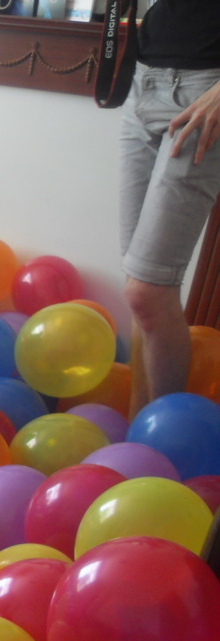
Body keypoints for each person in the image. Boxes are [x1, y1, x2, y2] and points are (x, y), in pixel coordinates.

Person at [119, 0, 220, 412]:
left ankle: (163, 449)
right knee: (138, 288)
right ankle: (136, 440)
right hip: (145, 78)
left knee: (149, 289)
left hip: (205, 91)